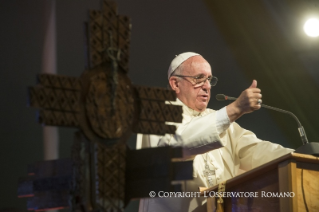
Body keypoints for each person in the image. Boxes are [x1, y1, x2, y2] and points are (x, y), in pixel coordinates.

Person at [137, 52, 294, 212]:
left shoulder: (218, 119)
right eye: (199, 78)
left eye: (209, 79)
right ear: (175, 84)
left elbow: (258, 151)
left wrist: (301, 157)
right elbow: (179, 143)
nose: (207, 86)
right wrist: (235, 108)